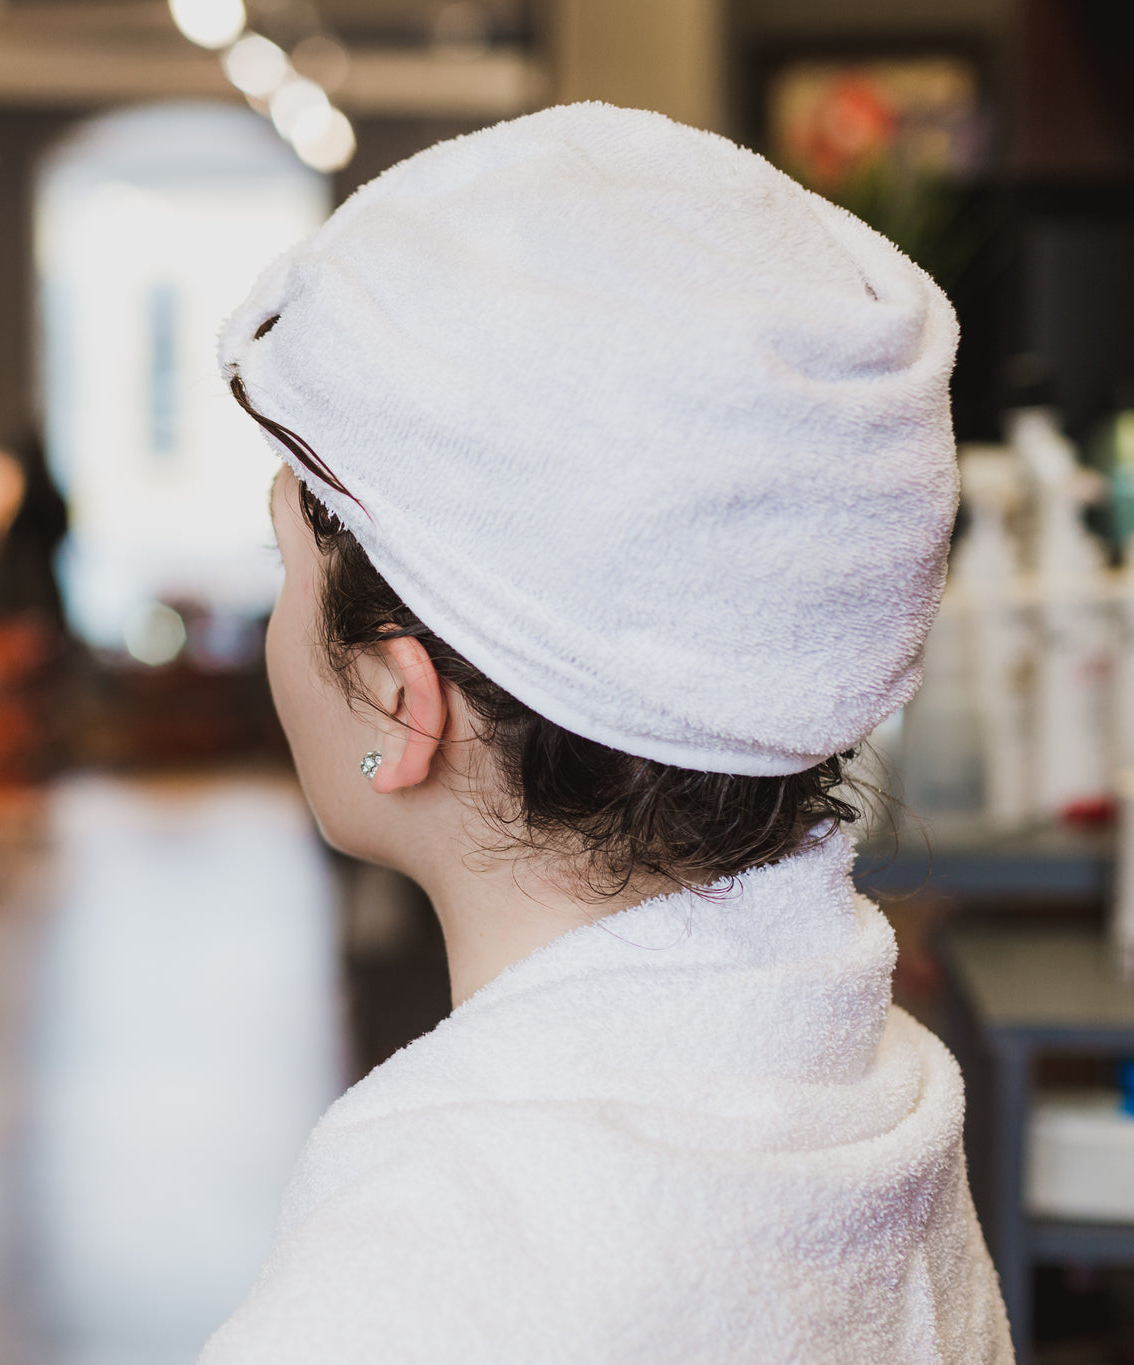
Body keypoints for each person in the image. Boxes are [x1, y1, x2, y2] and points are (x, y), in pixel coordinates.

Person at [203, 105, 1010, 1363]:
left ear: (399, 710)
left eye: (280, 566)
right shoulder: (871, 1099)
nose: (271, 628)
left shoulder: (416, 1295)